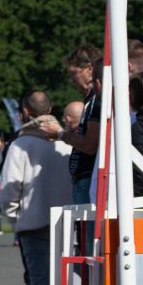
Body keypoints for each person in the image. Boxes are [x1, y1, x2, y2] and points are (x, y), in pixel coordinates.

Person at [0, 90, 73, 285]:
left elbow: (9, 190)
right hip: (68, 222)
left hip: (35, 223)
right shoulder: (66, 142)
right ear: (50, 109)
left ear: (25, 112)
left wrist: (15, 219)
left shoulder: (21, 145)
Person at [39, 44, 101, 207]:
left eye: (73, 73)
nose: (71, 79)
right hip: (85, 180)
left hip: (89, 180)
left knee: (90, 232)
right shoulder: (91, 99)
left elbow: (89, 145)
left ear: (89, 69)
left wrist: (60, 133)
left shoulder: (96, 98)